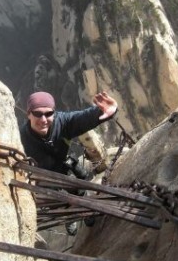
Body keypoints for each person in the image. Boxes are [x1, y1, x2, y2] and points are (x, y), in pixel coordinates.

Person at [19, 90, 118, 234]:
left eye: (48, 113)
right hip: (43, 174)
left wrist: (106, 112)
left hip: (62, 165)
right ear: (28, 114)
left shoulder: (62, 122)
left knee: (77, 189)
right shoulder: (21, 138)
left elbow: (82, 118)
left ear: (54, 112)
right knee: (58, 199)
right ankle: (70, 214)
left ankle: (85, 209)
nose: (43, 119)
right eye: (37, 114)